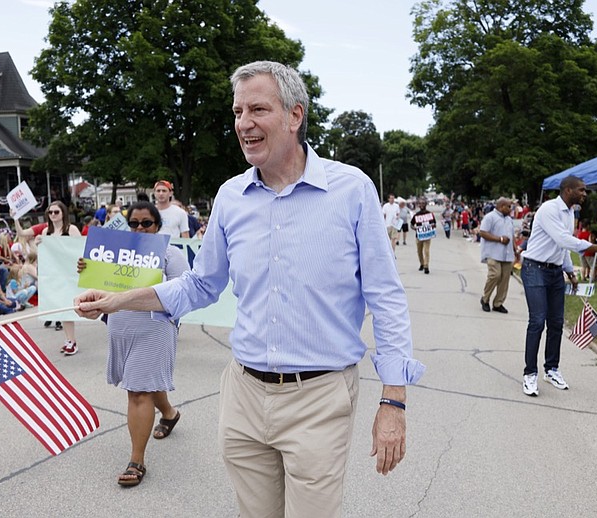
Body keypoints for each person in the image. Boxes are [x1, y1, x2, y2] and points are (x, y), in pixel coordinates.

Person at [74, 60, 425, 517]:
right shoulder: (230, 197)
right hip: (243, 395)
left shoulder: (352, 189)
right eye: (238, 112)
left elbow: (386, 296)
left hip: (318, 397)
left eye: (257, 109)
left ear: (295, 116)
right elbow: (202, 284)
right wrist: (116, 299)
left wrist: (393, 400)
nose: (244, 124)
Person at [76, 201, 189, 487]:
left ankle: (136, 461)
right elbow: (102, 291)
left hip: (155, 328)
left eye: (146, 223)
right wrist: (89, 270)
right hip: (121, 326)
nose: (140, 228)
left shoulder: (171, 255)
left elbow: (184, 294)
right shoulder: (116, 255)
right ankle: (169, 414)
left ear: (158, 225)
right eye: (134, 223)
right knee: (148, 383)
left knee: (138, 390)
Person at [520, 175, 597, 397]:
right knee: (538, 321)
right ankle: (530, 373)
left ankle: (552, 369)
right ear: (568, 191)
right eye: (581, 190)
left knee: (556, 323)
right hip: (534, 270)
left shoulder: (570, 213)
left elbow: (562, 246)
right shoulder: (549, 209)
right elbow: (563, 240)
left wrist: (569, 270)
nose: (585, 194)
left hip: (555, 272)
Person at [42, 200, 82, 354]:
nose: (53, 215)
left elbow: (79, 251)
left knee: (69, 307)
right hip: (55, 274)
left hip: (70, 273)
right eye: (50, 212)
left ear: (63, 213)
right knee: (62, 308)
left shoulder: (71, 229)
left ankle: (72, 341)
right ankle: (69, 340)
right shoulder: (46, 232)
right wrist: (16, 220)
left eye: (56, 212)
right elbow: (37, 251)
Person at [478, 197, 515, 313]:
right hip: (493, 253)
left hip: (507, 254)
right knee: (495, 275)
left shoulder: (509, 219)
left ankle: (498, 303)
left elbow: (512, 235)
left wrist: (515, 250)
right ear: (501, 206)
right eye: (508, 206)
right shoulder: (490, 217)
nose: (510, 209)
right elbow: (483, 232)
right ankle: (485, 299)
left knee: (505, 279)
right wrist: (499, 239)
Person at [410, 198, 437, 274]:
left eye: (423, 203)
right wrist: (415, 228)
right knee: (419, 251)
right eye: (420, 203)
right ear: (418, 205)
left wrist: (432, 227)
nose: (421, 205)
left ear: (425, 204)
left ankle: (426, 266)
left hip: (427, 236)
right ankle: (421, 263)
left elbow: (434, 224)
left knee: (426, 251)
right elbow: (411, 224)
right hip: (419, 236)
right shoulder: (416, 215)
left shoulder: (430, 214)